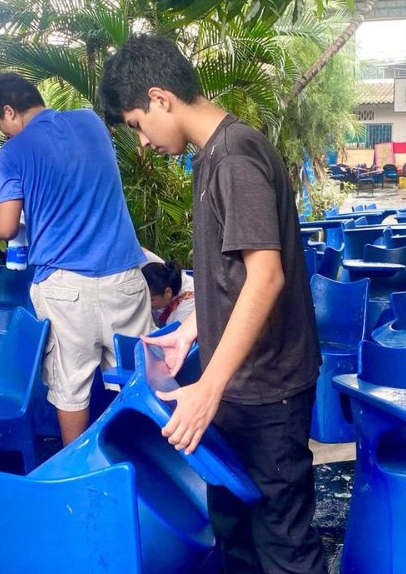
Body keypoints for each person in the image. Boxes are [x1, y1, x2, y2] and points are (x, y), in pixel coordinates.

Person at [99, 35, 326, 574]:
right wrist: (191, 329)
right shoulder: (212, 159)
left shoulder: (234, 157)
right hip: (237, 384)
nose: (144, 142)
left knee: (283, 543)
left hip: (268, 388)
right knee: (235, 531)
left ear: (160, 98)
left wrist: (209, 388)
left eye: (136, 124)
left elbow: (267, 277)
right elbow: (235, 277)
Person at [0, 72, 155, 445]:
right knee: (140, 378)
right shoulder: (91, 122)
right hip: (124, 276)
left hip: (64, 288)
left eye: (1, 125)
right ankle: (145, 466)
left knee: (70, 387)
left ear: (9, 111)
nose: (5, 134)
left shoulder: (13, 153)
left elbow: (6, 227)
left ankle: (77, 471)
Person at [142, 260, 196, 326]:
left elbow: (177, 335)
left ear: (168, 293)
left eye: (151, 300)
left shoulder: (184, 312)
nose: (145, 303)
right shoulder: (165, 271)